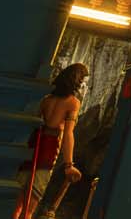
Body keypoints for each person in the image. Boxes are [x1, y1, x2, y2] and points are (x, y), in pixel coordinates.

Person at [21, 63, 87, 218]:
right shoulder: (73, 102)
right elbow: (68, 134)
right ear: (77, 80)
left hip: (33, 145)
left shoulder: (46, 99)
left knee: (19, 203)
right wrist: (69, 165)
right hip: (48, 149)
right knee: (30, 208)